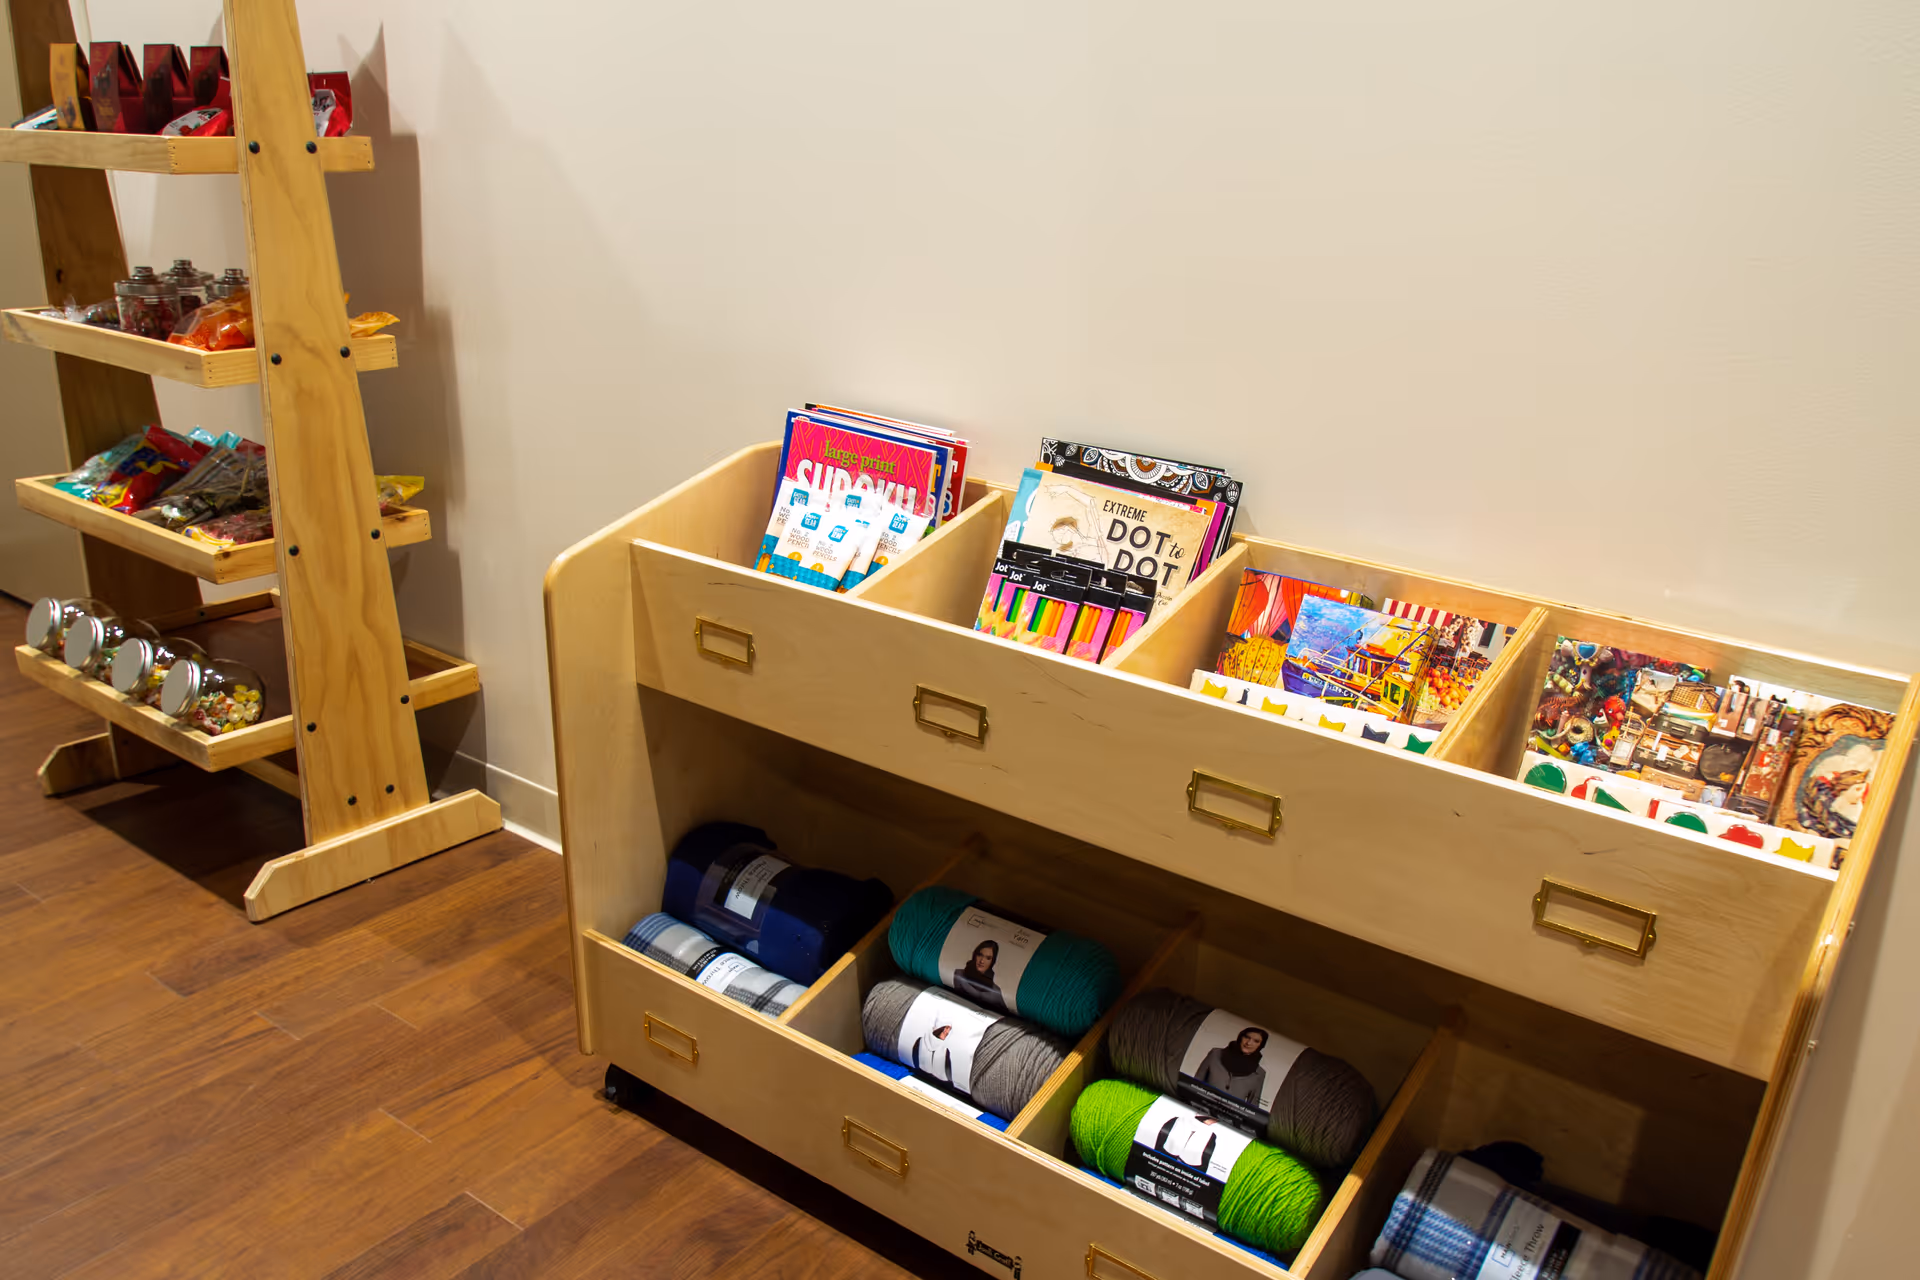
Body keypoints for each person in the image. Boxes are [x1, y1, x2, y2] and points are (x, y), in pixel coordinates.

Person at [1195, 1026, 1269, 1106]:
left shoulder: (1259, 1073)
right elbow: (1196, 1082)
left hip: (1228, 1116)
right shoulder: (1216, 1054)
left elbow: (1253, 1106)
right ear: (1240, 1037)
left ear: (1261, 1045)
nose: (1249, 1043)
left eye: (1256, 1041)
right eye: (1247, 1037)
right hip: (1200, 1107)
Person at [951, 940, 1008, 1013]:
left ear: (992, 961)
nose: (982, 961)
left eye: (988, 958)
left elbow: (1006, 1012)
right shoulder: (959, 974)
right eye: (980, 955)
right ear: (975, 955)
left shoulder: (996, 991)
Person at [1154, 1113, 1219, 1169]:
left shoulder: (1211, 1136)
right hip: (1164, 1160)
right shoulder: (1176, 1121)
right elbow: (1159, 1144)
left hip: (1186, 1169)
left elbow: (1204, 1162)